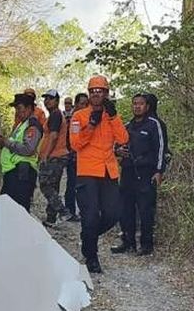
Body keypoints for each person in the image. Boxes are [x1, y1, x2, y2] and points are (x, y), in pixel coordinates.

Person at [69, 75, 128, 274]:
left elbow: (123, 138)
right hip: (87, 173)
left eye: (100, 91)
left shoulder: (111, 115)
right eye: (93, 91)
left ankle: (88, 236)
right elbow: (75, 144)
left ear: (106, 93)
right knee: (91, 215)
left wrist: (113, 117)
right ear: (89, 93)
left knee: (113, 213)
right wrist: (91, 127)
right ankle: (91, 256)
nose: (97, 94)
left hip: (108, 171)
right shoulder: (79, 116)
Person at [112, 93, 168, 255]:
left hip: (146, 173)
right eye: (134, 103)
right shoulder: (127, 125)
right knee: (125, 209)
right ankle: (128, 242)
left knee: (145, 210)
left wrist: (159, 171)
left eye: (141, 104)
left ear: (147, 106)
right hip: (128, 172)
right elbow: (117, 144)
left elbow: (161, 149)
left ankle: (146, 245)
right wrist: (117, 151)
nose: (137, 106)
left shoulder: (154, 125)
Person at [0, 93, 44, 211]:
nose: (17, 112)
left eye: (19, 108)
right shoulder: (22, 124)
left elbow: (28, 149)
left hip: (22, 172)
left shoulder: (32, 125)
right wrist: (3, 143)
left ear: (29, 108)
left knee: (18, 210)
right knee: (8, 208)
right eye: (16, 109)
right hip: (15, 171)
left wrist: (6, 142)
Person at [37, 89, 71, 226]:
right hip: (57, 155)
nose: (47, 101)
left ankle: (63, 211)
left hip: (55, 156)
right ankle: (51, 218)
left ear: (57, 101)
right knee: (53, 186)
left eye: (50, 99)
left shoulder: (56, 115)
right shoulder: (54, 115)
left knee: (45, 184)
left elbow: (54, 136)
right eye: (45, 99)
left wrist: (45, 155)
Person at [63, 93, 87, 221]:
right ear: (76, 104)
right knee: (72, 184)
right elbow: (71, 139)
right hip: (74, 157)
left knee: (84, 186)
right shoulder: (74, 119)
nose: (84, 106)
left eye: (86, 104)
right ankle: (70, 211)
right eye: (82, 103)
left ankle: (84, 211)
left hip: (86, 158)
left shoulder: (88, 118)